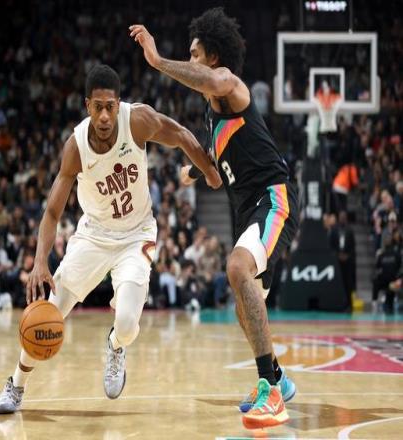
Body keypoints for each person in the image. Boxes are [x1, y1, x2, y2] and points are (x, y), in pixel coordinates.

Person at [0, 64, 221, 414]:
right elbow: (52, 212)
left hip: (137, 235)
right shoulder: (76, 146)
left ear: (118, 104)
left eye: (110, 107)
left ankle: (115, 345)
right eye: (97, 107)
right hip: (94, 236)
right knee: (49, 311)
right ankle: (16, 385)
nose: (103, 115)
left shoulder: (137, 121)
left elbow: (178, 134)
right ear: (87, 105)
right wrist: (40, 261)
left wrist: (208, 170)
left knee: (127, 324)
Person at [130, 8, 299, 429]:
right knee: (244, 303)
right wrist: (192, 171)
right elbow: (215, 169)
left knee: (237, 268)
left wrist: (157, 60)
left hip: (272, 199)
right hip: (247, 210)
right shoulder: (213, 117)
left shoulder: (230, 86)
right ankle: (278, 377)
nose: (190, 60)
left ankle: (271, 392)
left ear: (213, 56)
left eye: (194, 54)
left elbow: (213, 80)